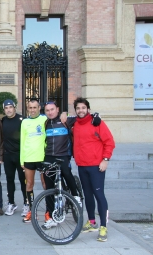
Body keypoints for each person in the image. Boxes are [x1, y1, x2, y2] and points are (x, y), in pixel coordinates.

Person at [42, 101, 101, 229]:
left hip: (63, 155)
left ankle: (75, 196)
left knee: (67, 173)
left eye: (52, 109)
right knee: (49, 188)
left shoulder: (66, 120)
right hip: (49, 157)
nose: (50, 112)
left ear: (57, 109)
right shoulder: (46, 123)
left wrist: (96, 116)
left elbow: (83, 116)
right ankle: (51, 217)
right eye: (47, 110)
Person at [72, 97, 115, 242]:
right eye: (78, 108)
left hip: (96, 166)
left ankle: (103, 227)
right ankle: (92, 222)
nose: (81, 110)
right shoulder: (75, 124)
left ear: (88, 109)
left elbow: (109, 142)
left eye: (83, 108)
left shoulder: (97, 122)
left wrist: (105, 159)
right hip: (82, 165)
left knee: (99, 195)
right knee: (87, 195)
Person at [20, 99, 46, 223]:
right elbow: (22, 141)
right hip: (29, 158)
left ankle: (49, 212)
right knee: (29, 185)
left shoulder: (45, 119)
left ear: (39, 108)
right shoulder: (25, 122)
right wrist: (22, 160)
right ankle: (32, 211)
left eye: (34, 107)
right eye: (30, 108)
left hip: (42, 158)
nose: (32, 110)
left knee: (46, 185)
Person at [1, 99, 27, 216]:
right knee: (9, 180)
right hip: (8, 156)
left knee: (23, 181)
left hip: (20, 156)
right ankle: (11, 203)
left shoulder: (22, 120)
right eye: (6, 108)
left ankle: (26, 204)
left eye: (10, 107)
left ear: (14, 108)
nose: (8, 110)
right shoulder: (3, 121)